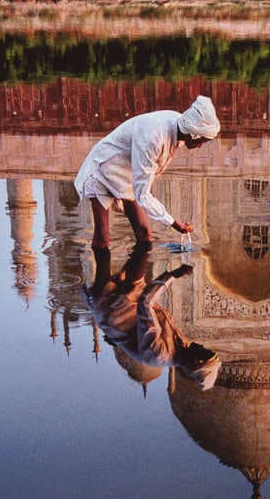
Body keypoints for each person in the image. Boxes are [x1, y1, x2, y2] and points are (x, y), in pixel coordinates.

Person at [74, 95, 220, 251]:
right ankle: (103, 275)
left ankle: (132, 275)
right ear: (192, 133)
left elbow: (144, 180)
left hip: (126, 177)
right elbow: (143, 194)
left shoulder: (180, 124)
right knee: (103, 238)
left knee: (144, 234)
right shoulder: (153, 138)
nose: (198, 146)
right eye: (199, 141)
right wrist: (174, 223)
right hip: (102, 170)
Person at [86, 246, 220, 391]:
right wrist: (118, 341)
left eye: (205, 351)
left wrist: (173, 275)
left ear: (196, 361)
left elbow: (146, 303)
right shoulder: (182, 347)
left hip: (113, 308)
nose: (202, 346)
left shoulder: (159, 354)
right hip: (131, 302)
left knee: (104, 253)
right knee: (142, 247)